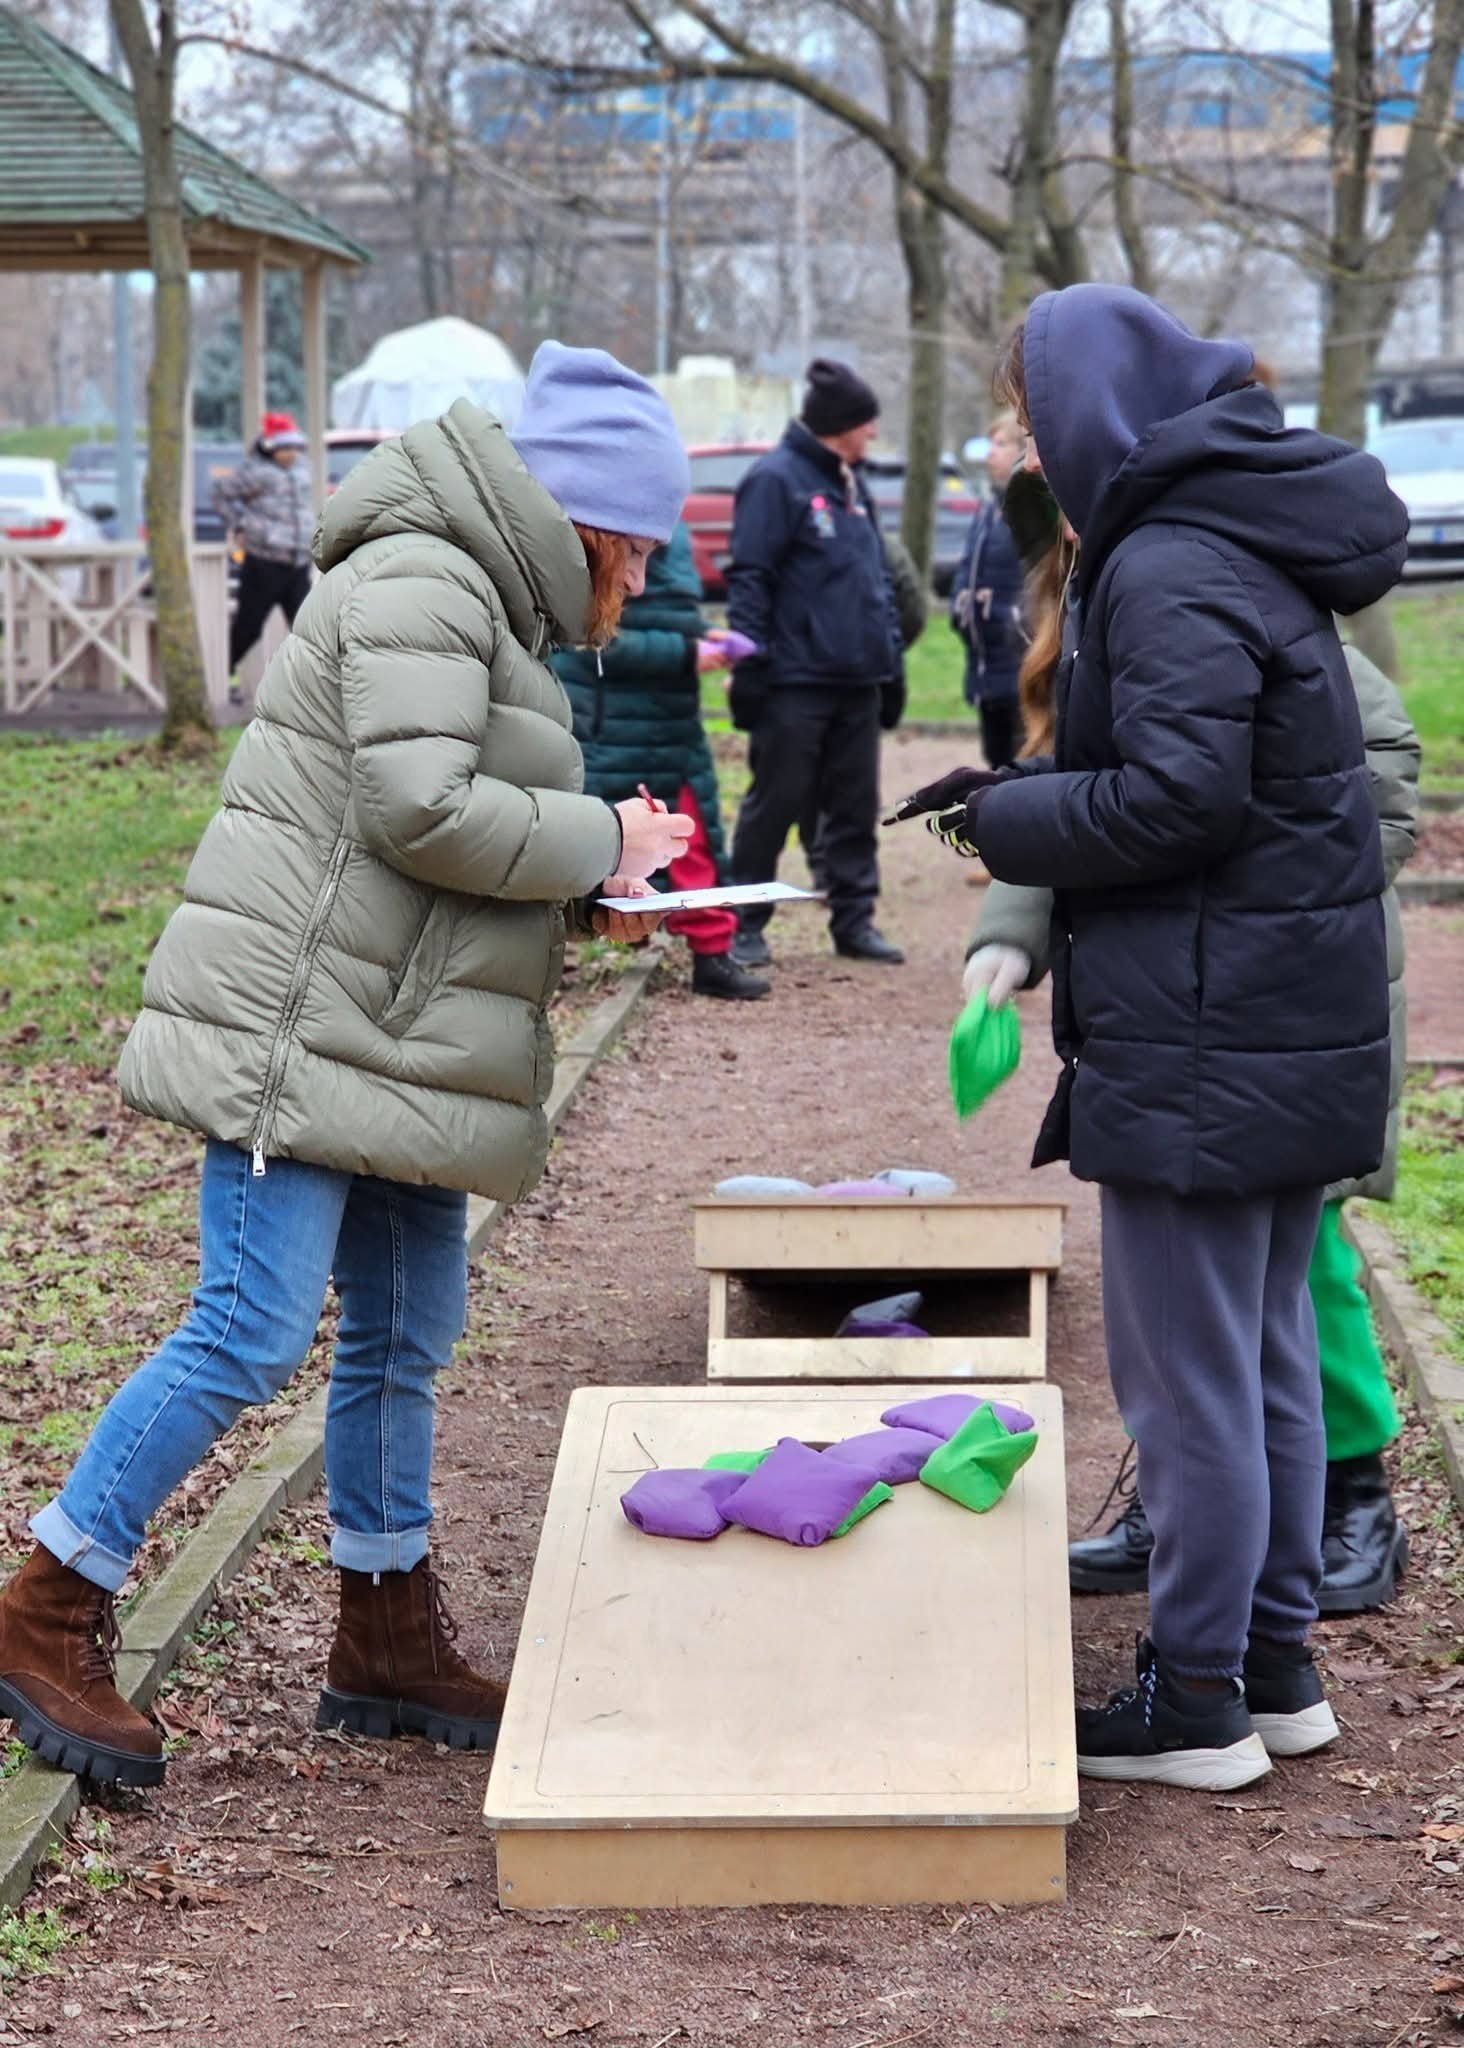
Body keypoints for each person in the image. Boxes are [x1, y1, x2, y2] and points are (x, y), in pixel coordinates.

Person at [0, 342, 696, 1792]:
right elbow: (420, 805)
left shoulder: (483, 595)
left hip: (394, 1039)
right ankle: (48, 1597)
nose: (637, 567)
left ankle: (383, 1631)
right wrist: (599, 843)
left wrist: (589, 885)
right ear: (577, 514)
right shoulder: (424, 579)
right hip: (298, 1024)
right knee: (252, 1329)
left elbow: (441, 824)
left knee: (404, 1335)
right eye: (632, 537)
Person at [898, 284, 1406, 1790]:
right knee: (1261, 1368)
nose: (1027, 445)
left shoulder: (1170, 559)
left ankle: (1197, 1700)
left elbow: (1182, 800)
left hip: (1206, 1033)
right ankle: (1275, 1670)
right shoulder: (1229, 534)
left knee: (1193, 1385)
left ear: (1095, 411)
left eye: (1035, 415)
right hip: (1266, 1021)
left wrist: (1004, 823)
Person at [968, 476, 1420, 1618]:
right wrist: (1010, 937)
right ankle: (1217, 1550)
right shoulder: (1094, 597)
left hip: (1279, 999)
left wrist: (1268, 877)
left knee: (1298, 1278)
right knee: (1201, 1334)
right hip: (1193, 996)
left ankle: (1351, 1497)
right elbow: (1077, 797)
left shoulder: (1217, 582)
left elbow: (1351, 775)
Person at [725, 358, 906, 969]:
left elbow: (876, 581)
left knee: (855, 809)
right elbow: (750, 577)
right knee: (774, 803)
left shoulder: (852, 486)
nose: (874, 434)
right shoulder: (776, 480)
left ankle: (854, 921)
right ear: (841, 424)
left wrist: (891, 667)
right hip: (793, 683)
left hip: (857, 681)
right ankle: (743, 922)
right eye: (867, 422)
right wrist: (750, 666)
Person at [554, 521, 770, 1000]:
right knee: (598, 844)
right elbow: (588, 639)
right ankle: (565, 951)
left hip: (674, 724)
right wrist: (685, 654)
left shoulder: (671, 527)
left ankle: (713, 952)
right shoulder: (588, 537)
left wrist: (710, 635)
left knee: (693, 838)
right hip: (612, 732)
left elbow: (674, 612)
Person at [212, 411, 316, 677]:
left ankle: (322, 686)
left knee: (309, 628)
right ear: (270, 447)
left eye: (294, 447)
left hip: (298, 561)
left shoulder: (302, 469)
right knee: (249, 625)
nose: (290, 453)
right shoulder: (255, 473)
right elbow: (220, 493)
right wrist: (238, 524)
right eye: (284, 448)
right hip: (264, 562)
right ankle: (220, 672)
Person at [951, 410, 1027, 768]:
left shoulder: (1033, 509)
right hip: (987, 671)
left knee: (1022, 770)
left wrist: (1012, 621)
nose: (991, 454)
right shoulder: (988, 509)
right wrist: (960, 605)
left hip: (1020, 671)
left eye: (1001, 444)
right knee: (995, 766)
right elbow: (967, 569)